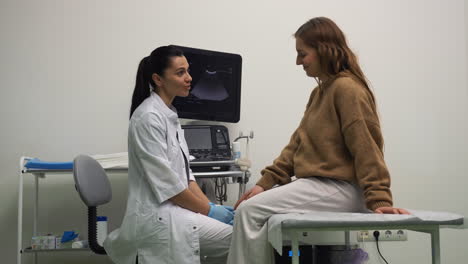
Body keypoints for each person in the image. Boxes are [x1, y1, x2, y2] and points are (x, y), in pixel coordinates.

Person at [226, 17, 409, 264]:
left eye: (303, 54)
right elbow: (296, 146)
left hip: (341, 188)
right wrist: (264, 183)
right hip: (322, 186)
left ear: (324, 50)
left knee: (249, 211)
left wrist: (379, 199)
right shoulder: (320, 92)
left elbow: (367, 147)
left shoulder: (347, 89)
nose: (298, 61)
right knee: (253, 207)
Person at [103, 45, 234, 264]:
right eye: (180, 72)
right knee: (243, 237)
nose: (189, 78)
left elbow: (186, 177)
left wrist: (213, 208)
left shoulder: (170, 115)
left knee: (241, 232)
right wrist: (209, 212)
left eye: (188, 71)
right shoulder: (148, 117)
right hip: (159, 216)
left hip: (174, 210)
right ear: (158, 79)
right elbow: (169, 186)